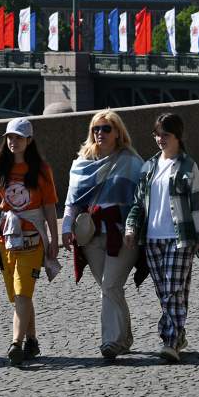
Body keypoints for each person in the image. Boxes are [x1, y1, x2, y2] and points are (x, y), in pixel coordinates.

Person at [0, 117, 59, 366]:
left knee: (22, 292)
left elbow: (49, 208)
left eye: (18, 137)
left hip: (33, 240)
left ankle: (15, 343)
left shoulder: (41, 170)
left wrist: (53, 240)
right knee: (17, 296)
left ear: (29, 140)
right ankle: (32, 341)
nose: (13, 142)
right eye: (9, 137)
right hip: (7, 240)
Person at [61, 109, 146, 360]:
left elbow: (141, 202)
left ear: (118, 132)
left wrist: (135, 229)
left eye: (106, 128)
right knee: (110, 288)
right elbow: (72, 202)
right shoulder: (81, 163)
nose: (100, 133)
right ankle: (124, 338)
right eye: (96, 129)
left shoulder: (131, 161)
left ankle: (110, 342)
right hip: (91, 235)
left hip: (122, 234)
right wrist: (66, 228)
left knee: (110, 284)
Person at [123, 112, 199, 364]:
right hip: (152, 239)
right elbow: (138, 203)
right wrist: (130, 228)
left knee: (172, 290)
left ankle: (169, 341)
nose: (160, 139)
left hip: (180, 238)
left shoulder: (188, 166)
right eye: (157, 134)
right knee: (167, 293)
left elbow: (197, 204)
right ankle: (178, 335)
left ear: (178, 136)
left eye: (165, 135)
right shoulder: (148, 166)